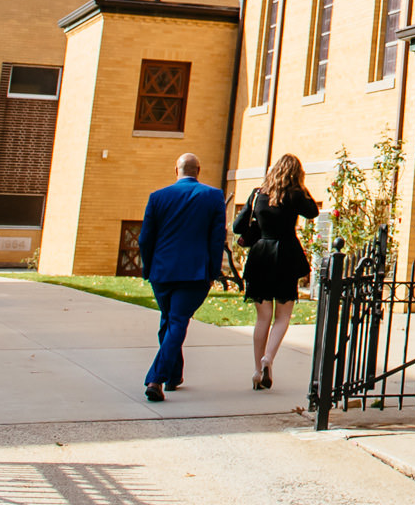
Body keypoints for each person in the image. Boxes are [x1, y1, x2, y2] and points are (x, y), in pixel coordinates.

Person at [137, 153, 228, 404]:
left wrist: (148, 268)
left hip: (163, 271)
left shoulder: (158, 197)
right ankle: (157, 379)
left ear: (175, 170)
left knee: (169, 321)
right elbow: (216, 239)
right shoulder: (213, 196)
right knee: (175, 322)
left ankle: (173, 375)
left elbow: (145, 238)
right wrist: (212, 272)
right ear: (198, 169)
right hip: (194, 272)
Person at [237, 153, 322, 392]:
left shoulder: (258, 194)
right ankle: (269, 359)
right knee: (282, 316)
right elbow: (313, 212)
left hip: (261, 254)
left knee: (262, 317)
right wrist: (302, 187)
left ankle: (256, 369)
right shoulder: (295, 194)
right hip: (285, 255)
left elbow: (241, 225)